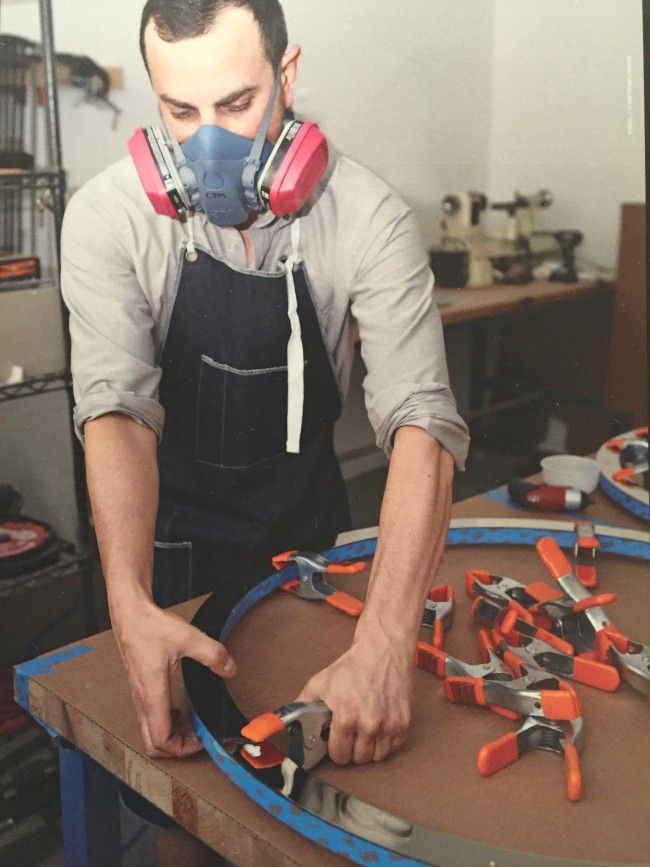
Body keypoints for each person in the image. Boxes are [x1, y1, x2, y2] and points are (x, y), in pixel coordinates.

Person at [61, 0, 469, 859]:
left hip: (305, 558)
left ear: (287, 78)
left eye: (237, 104)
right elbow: (116, 413)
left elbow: (423, 420)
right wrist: (131, 605)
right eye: (180, 112)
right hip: (170, 559)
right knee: (187, 816)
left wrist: (387, 641)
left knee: (311, 816)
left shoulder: (368, 218)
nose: (209, 143)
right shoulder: (110, 219)